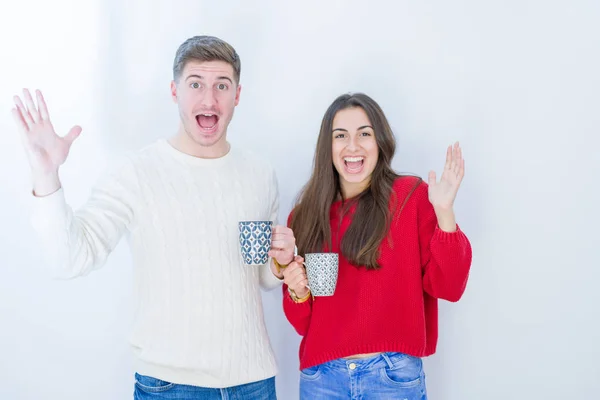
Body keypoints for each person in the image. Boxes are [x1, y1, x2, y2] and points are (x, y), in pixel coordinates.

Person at [11, 35, 296, 399]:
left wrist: (279, 264)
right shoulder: (136, 172)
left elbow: (259, 277)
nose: (209, 99)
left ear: (237, 95)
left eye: (221, 85)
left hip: (254, 383)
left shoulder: (260, 173)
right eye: (196, 84)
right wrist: (46, 175)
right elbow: (69, 259)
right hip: (170, 387)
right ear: (174, 91)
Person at [281, 93, 473, 399]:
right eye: (340, 135)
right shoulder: (304, 216)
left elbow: (449, 287)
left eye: (365, 134)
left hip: (392, 377)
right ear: (327, 147)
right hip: (322, 379)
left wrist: (445, 213)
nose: (353, 146)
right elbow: (302, 323)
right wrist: (297, 290)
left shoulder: (410, 198)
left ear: (380, 142)